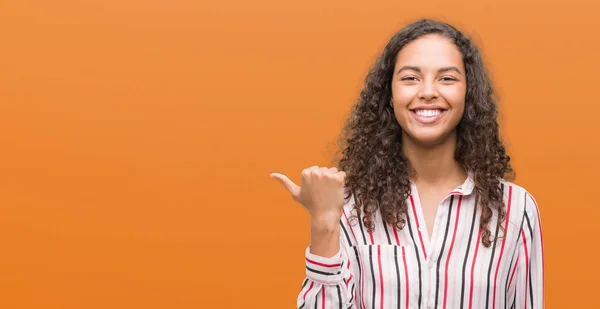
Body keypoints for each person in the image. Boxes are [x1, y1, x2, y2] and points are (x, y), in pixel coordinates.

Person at [270, 18, 544, 309]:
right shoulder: (348, 205)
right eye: (411, 78)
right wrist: (324, 222)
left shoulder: (515, 209)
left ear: (468, 95)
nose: (427, 91)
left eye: (447, 78)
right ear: (389, 96)